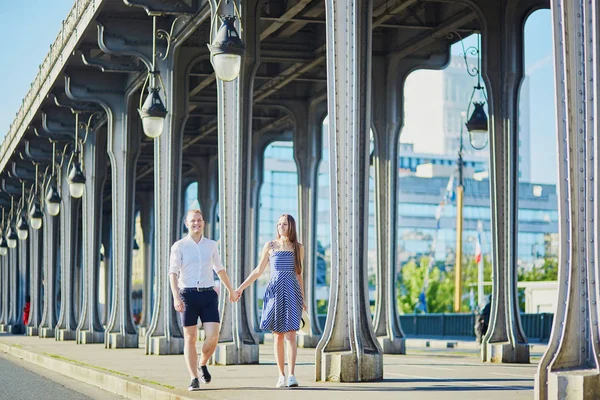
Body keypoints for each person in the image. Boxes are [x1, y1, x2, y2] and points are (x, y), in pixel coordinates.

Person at [169, 209, 239, 391]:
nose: (196, 223)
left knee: (213, 336)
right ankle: (193, 378)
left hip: (208, 294)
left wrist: (231, 290)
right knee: (190, 338)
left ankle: (203, 362)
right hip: (187, 295)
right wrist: (176, 296)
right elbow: (173, 273)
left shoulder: (211, 245)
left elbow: (220, 269)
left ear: (204, 223)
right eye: (193, 221)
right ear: (186, 223)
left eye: (199, 220)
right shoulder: (179, 246)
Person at [237, 214, 306, 388]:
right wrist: (240, 288)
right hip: (274, 291)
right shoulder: (270, 246)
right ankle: (281, 375)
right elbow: (258, 271)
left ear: (291, 226)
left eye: (284, 224)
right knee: (278, 336)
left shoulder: (298, 247)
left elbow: (299, 274)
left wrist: (303, 298)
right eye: (278, 224)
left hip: (292, 291)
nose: (281, 227)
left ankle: (291, 375)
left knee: (291, 334)